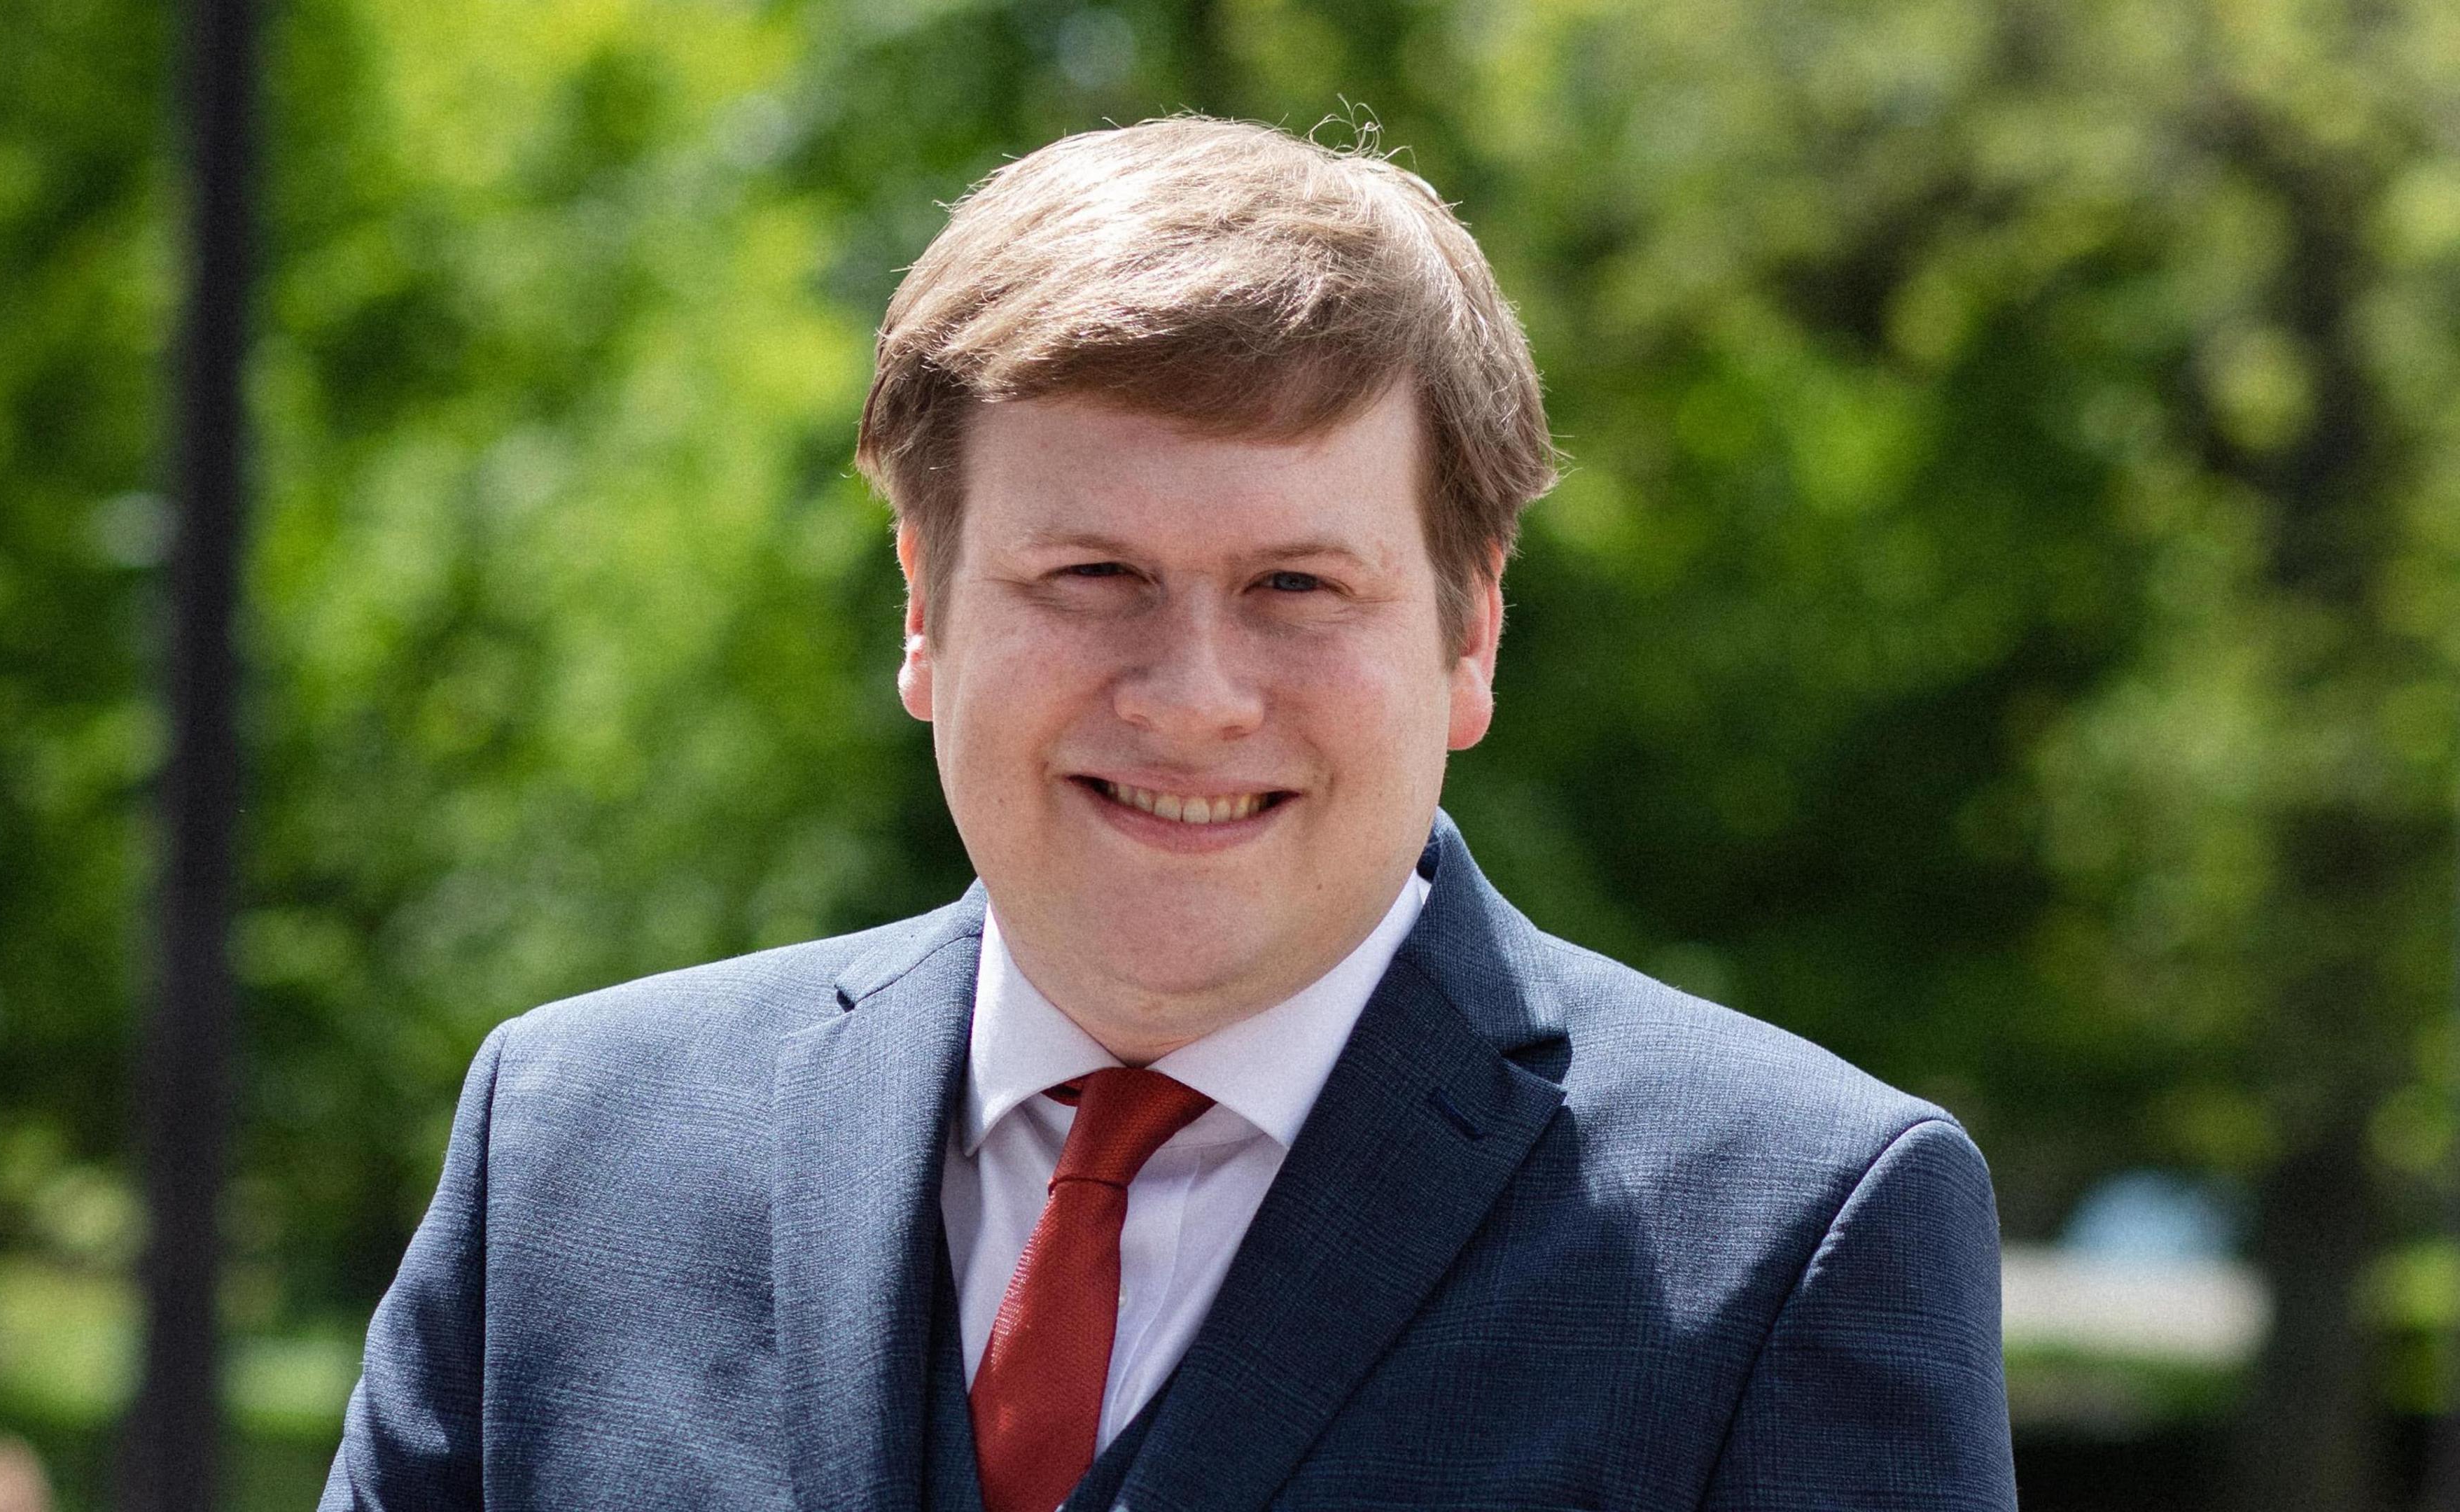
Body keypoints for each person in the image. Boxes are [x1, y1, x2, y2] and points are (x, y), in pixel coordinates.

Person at [319, 117, 2015, 1511]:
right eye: (1092, 575)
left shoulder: (1791, 1242)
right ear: (923, 606)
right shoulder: (570, 1152)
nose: (1192, 694)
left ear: (1471, 631)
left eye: (1295, 583)